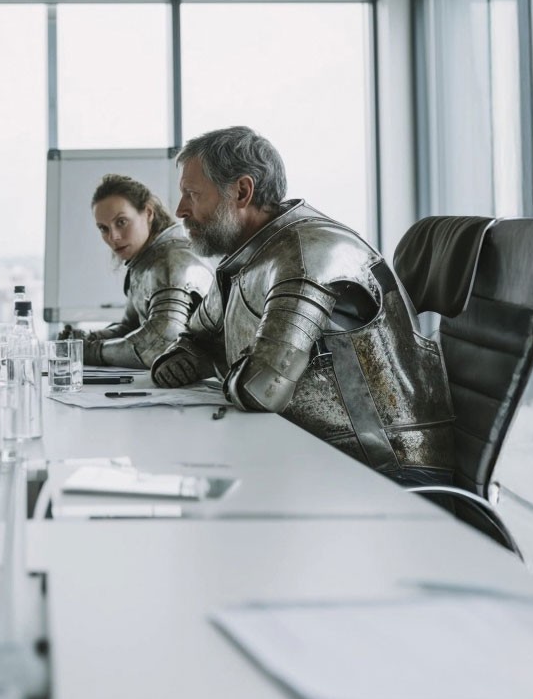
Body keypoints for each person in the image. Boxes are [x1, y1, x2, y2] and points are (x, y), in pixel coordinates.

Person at [151, 126, 454, 485]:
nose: (180, 210)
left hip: (385, 470)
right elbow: (194, 341)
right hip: (315, 456)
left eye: (192, 194)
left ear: (242, 191)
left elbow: (261, 389)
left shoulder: (306, 251)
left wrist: (219, 363)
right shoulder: (247, 258)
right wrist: (191, 357)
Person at [61, 173, 214, 368]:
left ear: (148, 213)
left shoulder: (171, 261)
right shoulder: (146, 261)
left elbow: (161, 343)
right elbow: (130, 326)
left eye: (121, 222)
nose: (114, 237)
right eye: (103, 228)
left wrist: (92, 351)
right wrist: (85, 339)